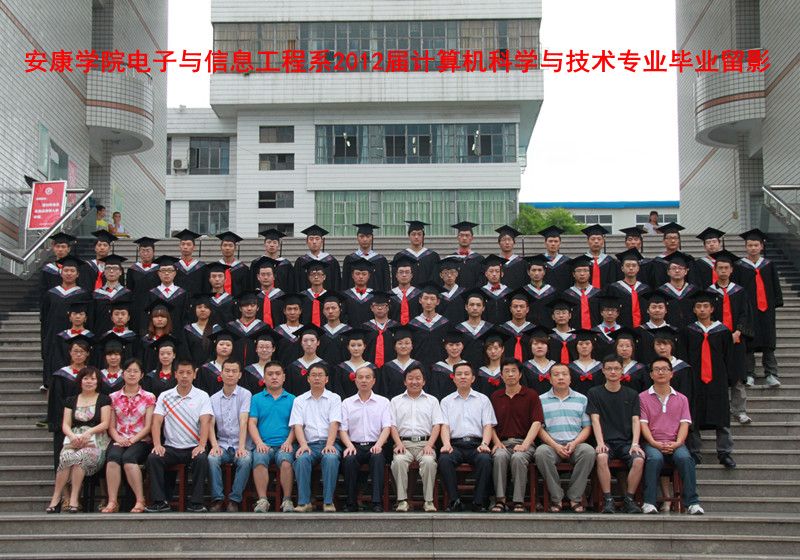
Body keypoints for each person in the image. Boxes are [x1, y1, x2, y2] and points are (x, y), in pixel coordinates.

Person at [639, 357, 704, 515]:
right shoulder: (642, 397)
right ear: (651, 374)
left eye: (665, 369)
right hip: (652, 442)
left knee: (686, 459)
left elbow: (684, 424)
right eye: (656, 369)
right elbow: (643, 424)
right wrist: (654, 442)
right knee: (654, 459)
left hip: (675, 442)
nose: (661, 372)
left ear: (671, 374)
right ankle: (649, 502)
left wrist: (678, 443)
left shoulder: (682, 398)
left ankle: (692, 503)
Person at [145, 360, 212, 513]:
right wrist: (157, 444)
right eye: (181, 372)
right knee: (154, 458)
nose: (184, 376)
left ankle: (196, 503)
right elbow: (156, 422)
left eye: (188, 373)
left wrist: (201, 445)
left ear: (194, 375)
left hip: (193, 447)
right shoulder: (165, 395)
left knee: (202, 458)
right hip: (171, 447)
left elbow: (205, 422)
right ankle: (160, 501)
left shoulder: (202, 396)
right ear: (175, 374)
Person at [46, 366, 111, 513]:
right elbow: (65, 424)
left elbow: (105, 423)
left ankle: (74, 498)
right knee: (66, 457)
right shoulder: (71, 400)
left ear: (98, 381)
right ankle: (56, 497)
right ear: (80, 381)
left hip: (96, 440)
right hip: (74, 439)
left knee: (80, 458)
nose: (89, 381)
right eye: (85, 378)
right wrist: (72, 436)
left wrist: (88, 433)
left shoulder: (104, 399)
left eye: (93, 379)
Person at [683, 292, 737, 469]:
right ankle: (694, 452)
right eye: (698, 306)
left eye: (706, 306)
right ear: (694, 309)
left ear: (712, 309)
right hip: (695, 379)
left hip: (718, 380)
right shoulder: (688, 331)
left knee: (721, 415)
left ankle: (724, 452)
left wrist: (730, 378)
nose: (702, 310)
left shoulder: (723, 331)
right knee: (694, 414)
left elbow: (729, 357)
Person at [587, 355, 645, 514]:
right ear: (603, 371)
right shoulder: (594, 393)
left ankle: (629, 499)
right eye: (609, 369)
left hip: (626, 442)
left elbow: (636, 420)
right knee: (601, 457)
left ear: (622, 370)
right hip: (606, 441)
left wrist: (635, 443)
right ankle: (608, 499)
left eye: (616, 368)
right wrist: (600, 443)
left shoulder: (632, 394)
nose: (613, 372)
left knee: (639, 459)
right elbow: (595, 419)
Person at [535, 363, 595, 513]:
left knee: (588, 452)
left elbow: (587, 427)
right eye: (556, 375)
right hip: (551, 445)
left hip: (575, 444)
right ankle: (557, 498)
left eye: (564, 374)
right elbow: (539, 428)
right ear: (550, 379)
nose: (560, 377)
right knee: (541, 453)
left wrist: (574, 443)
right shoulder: (541, 399)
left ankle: (575, 497)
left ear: (570, 378)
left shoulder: (582, 399)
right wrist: (555, 446)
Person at [438, 362, 497, 512]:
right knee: (444, 459)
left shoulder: (483, 399)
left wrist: (485, 443)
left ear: (473, 378)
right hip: (455, 445)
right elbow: (444, 426)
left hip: (477, 444)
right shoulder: (446, 401)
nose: (463, 377)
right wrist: (446, 444)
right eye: (459, 374)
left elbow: (488, 425)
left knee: (485, 459)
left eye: (466, 374)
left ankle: (478, 502)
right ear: (453, 378)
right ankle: (454, 501)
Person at [489, 358, 543, 513]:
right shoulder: (496, 396)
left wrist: (525, 444)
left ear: (520, 374)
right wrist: (497, 442)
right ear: (501, 375)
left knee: (518, 457)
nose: (510, 374)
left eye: (514, 371)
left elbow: (537, 422)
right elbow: (489, 424)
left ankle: (518, 501)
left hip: (525, 442)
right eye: (506, 371)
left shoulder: (531, 395)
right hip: (503, 443)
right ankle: (500, 500)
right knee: (499, 456)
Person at [102, 358, 155, 513]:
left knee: (129, 459)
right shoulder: (113, 397)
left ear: (141, 375)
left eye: (135, 371)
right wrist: (119, 439)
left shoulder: (149, 397)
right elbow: (111, 426)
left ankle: (140, 500)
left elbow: (148, 426)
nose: (132, 374)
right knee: (112, 458)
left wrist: (132, 440)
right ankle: (112, 501)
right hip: (119, 438)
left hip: (141, 439)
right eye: (128, 371)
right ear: (123, 374)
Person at [289, 363, 343, 513]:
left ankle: (328, 502)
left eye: (320, 375)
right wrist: (303, 445)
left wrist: (330, 444)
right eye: (313, 375)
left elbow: (334, 423)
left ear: (326, 379)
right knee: (301, 459)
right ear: (308, 379)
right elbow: (297, 425)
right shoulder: (299, 400)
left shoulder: (334, 398)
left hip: (330, 442)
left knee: (331, 458)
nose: (317, 378)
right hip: (309, 444)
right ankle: (304, 502)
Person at [708, 250, 754, 425]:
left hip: (736, 340)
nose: (723, 271)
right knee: (716, 376)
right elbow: (707, 316)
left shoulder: (740, 292)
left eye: (726, 268)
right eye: (720, 268)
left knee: (737, 376)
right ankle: (718, 410)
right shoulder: (709, 293)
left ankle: (739, 410)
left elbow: (745, 314)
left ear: (731, 270)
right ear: (715, 270)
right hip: (715, 340)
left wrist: (738, 331)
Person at [339, 366, 393, 512]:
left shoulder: (383, 402)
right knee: (349, 459)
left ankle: (376, 502)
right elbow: (342, 429)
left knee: (377, 458)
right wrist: (349, 445)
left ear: (373, 381)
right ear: (355, 380)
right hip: (354, 445)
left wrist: (379, 445)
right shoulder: (347, 403)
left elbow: (386, 427)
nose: (364, 380)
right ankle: (351, 502)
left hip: (375, 444)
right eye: (360, 377)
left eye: (368, 377)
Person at [389, 364, 442, 512]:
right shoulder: (395, 401)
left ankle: (428, 501)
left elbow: (437, 425)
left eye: (418, 378)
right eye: (410, 378)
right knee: (398, 461)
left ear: (424, 381)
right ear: (404, 381)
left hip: (425, 444)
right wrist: (398, 443)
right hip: (403, 444)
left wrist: (430, 445)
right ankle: (402, 501)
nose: (414, 381)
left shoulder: (432, 401)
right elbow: (392, 425)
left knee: (429, 461)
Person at [735, 229, 783, 388]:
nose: (753, 248)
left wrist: (776, 301)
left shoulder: (769, 265)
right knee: (749, 341)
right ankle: (749, 374)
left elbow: (775, 285)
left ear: (761, 246)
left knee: (768, 341)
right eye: (750, 245)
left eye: (756, 245)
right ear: (745, 246)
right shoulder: (739, 266)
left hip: (766, 309)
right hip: (749, 309)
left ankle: (771, 374)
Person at [248, 361, 296, 513]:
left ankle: (287, 500)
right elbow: (251, 423)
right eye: (270, 374)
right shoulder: (256, 399)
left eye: (277, 374)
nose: (274, 377)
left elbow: (296, 425)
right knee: (259, 459)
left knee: (286, 461)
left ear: (284, 377)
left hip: (285, 444)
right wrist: (259, 443)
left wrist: (288, 442)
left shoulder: (293, 399)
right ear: (264, 378)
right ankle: (263, 500)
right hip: (264, 444)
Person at [208, 360, 253, 512]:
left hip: (241, 443)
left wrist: (241, 447)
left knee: (245, 460)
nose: (230, 374)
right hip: (222, 444)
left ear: (239, 375)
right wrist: (214, 445)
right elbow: (210, 423)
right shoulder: (213, 398)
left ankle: (234, 500)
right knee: (212, 458)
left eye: (234, 371)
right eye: (227, 371)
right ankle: (218, 499)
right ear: (221, 374)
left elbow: (244, 420)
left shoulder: (245, 394)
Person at [47, 335, 92, 469]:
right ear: (70, 353)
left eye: (82, 352)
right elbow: (56, 402)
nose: (78, 355)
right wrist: (66, 421)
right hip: (65, 422)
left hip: (87, 423)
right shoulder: (60, 375)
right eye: (75, 351)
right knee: (64, 459)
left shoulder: (92, 375)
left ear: (87, 354)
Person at [609, 248, 651, 329]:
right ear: (622, 268)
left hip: (643, 329)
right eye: (628, 265)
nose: (631, 268)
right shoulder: (614, 288)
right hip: (622, 330)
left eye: (634, 265)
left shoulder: (645, 289)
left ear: (638, 268)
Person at [342, 223, 390, 292]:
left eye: (368, 236)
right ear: (357, 238)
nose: (365, 239)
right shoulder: (349, 259)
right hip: (353, 298)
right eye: (361, 236)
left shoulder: (381, 260)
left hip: (375, 298)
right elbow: (345, 284)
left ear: (372, 238)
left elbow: (386, 284)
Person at [126, 237, 160, 333]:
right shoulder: (132, 270)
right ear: (139, 252)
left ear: (153, 252)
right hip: (136, 308)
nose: (145, 253)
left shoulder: (159, 270)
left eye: (148, 250)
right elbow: (129, 290)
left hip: (154, 306)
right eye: (143, 251)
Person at [294, 225, 341, 292]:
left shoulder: (331, 261)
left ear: (322, 241)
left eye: (317, 239)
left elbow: (336, 284)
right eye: (311, 239)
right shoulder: (300, 262)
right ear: (306, 241)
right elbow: (296, 285)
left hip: (327, 298)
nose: (314, 242)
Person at [394, 220, 440, 286]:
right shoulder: (400, 256)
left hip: (427, 292)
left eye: (419, 234)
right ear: (409, 236)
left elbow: (436, 279)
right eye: (413, 234)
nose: (416, 237)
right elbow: (396, 281)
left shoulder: (433, 256)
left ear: (423, 236)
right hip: (406, 292)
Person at [563, 256, 602, 330]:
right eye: (578, 271)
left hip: (595, 332)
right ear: (573, 274)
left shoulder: (598, 293)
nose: (582, 274)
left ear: (589, 273)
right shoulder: (567, 295)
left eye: (585, 270)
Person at [522, 255, 558, 329]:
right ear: (528, 272)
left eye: (539, 270)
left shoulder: (552, 292)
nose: (536, 273)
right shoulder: (523, 292)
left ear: (544, 272)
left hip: (548, 329)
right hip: (528, 330)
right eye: (533, 270)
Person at [581, 224, 620, 290]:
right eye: (593, 239)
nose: (596, 241)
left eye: (599, 239)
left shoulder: (612, 262)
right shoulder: (581, 261)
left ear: (603, 241)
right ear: (587, 241)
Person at [215, 231, 250, 299]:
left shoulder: (243, 269)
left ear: (235, 248)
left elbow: (246, 290)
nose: (227, 248)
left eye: (230, 245)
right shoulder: (215, 268)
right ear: (221, 247)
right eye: (225, 245)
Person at [479, 254, 512, 325]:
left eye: (497, 271)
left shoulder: (509, 292)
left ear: (502, 274)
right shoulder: (481, 292)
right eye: (491, 271)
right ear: (486, 274)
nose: (494, 274)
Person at [450, 221, 484, 289]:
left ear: (472, 238)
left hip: (474, 294)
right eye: (461, 235)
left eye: (467, 235)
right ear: (457, 237)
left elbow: (482, 280)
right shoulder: (450, 259)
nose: (464, 238)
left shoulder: (480, 259)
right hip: (455, 295)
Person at [538, 226, 572, 293]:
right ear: (545, 243)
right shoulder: (539, 261)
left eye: (556, 241)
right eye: (550, 241)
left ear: (560, 243)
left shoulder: (568, 262)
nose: (553, 244)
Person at [173, 229, 206, 298]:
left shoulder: (202, 267)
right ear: (179, 246)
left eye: (188, 244)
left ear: (194, 247)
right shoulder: (173, 265)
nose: (185, 247)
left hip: (196, 302)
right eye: (183, 244)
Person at [389, 255, 421, 325]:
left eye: (407, 272)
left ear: (411, 275)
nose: (404, 275)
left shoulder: (419, 295)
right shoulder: (389, 295)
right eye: (401, 272)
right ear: (396, 275)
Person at [495, 225, 527, 291]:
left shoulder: (522, 263)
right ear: (499, 243)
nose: (507, 242)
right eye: (504, 240)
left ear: (514, 242)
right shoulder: (494, 262)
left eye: (509, 239)